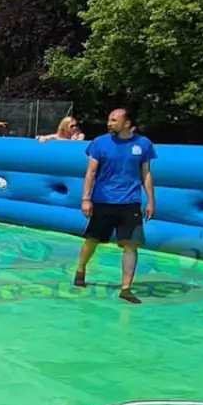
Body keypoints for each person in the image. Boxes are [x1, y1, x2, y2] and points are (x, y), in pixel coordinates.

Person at [74, 108, 156, 304]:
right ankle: (81, 268)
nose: (109, 123)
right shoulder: (100, 143)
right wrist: (86, 199)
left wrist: (151, 200)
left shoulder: (143, 144)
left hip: (130, 202)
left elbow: (146, 173)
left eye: (114, 120)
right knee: (92, 240)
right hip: (104, 200)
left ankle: (126, 288)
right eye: (109, 119)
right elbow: (90, 173)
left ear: (127, 123)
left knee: (131, 244)